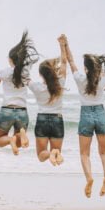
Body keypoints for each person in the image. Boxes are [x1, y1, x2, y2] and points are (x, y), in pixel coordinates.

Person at [62, 36, 105, 197]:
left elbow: (70, 61)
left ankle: (89, 178)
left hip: (85, 115)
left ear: (85, 69)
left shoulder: (79, 78)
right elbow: (101, 74)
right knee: (104, 153)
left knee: (84, 154)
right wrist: (101, 70)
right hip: (100, 113)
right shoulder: (102, 79)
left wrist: (65, 45)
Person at [0, 32, 38, 156]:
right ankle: (20, 133)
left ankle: (12, 139)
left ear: (10, 60)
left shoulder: (4, 72)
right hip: (22, 111)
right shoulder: (26, 72)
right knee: (20, 143)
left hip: (7, 110)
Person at [28, 36, 68, 166]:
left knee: (41, 156)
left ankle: (51, 153)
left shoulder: (36, 87)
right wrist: (62, 45)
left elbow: (24, 76)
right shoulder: (60, 83)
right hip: (57, 120)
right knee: (57, 152)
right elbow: (64, 62)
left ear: (41, 75)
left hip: (42, 120)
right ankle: (54, 152)